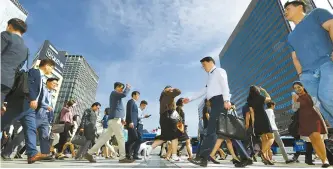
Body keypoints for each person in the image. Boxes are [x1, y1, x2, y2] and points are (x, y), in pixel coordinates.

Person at [183, 56, 250, 167]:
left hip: (220, 101)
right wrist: (190, 98)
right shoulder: (210, 77)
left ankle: (203, 158)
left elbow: (225, 85)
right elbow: (204, 90)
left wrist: (226, 100)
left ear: (210, 62)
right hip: (215, 103)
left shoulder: (219, 71)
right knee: (228, 131)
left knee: (211, 131)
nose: (203, 67)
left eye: (204, 65)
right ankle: (245, 158)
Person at [284, 1, 333, 125]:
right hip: (307, 75)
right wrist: (301, 75)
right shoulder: (290, 37)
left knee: (327, 97)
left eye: (288, 8)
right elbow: (295, 58)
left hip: (326, 64)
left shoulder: (317, 14)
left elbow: (332, 25)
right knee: (321, 107)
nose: (285, 12)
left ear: (300, 7)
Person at [84, 82, 134, 163]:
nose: (122, 89)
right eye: (121, 88)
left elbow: (117, 108)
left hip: (114, 119)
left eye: (123, 88)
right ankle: (122, 157)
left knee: (104, 139)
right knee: (121, 138)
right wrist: (127, 88)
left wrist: (121, 119)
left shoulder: (116, 95)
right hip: (115, 120)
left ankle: (89, 153)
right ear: (116, 87)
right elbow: (124, 95)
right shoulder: (114, 93)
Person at [291, 81, 330, 167]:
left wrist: (325, 120)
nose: (297, 89)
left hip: (314, 118)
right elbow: (295, 109)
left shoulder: (311, 94)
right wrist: (295, 100)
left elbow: (316, 105)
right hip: (304, 120)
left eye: (299, 87)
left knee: (318, 139)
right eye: (295, 88)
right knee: (313, 141)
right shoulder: (296, 97)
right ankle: (324, 160)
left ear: (303, 86)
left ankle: (325, 160)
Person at [145, 86, 182, 162]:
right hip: (170, 117)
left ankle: (150, 148)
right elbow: (178, 92)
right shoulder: (168, 94)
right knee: (175, 136)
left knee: (164, 137)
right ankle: (174, 156)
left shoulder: (162, 97)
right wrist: (171, 89)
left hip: (163, 118)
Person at [1, 18, 28, 110]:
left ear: (10, 26)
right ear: (22, 32)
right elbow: (18, 68)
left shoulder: (6, 35)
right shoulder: (26, 50)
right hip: (7, 83)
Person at [247, 85, 274, 165]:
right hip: (263, 118)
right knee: (271, 137)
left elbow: (251, 112)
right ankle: (262, 152)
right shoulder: (260, 97)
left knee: (264, 139)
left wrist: (253, 123)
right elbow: (269, 98)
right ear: (257, 91)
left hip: (256, 120)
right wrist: (264, 91)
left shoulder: (249, 99)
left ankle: (265, 159)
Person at [35, 78, 58, 159]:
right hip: (39, 114)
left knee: (45, 135)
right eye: (54, 83)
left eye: (56, 84)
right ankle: (7, 151)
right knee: (26, 132)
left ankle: (45, 154)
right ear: (48, 82)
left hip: (46, 117)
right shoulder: (43, 90)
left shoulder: (51, 93)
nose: (55, 85)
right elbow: (40, 101)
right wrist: (47, 106)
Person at [125, 91, 142, 160]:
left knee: (132, 139)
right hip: (131, 123)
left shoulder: (134, 103)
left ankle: (128, 154)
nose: (138, 97)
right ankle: (128, 151)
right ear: (134, 95)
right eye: (138, 95)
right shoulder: (131, 101)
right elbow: (129, 112)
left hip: (134, 124)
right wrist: (130, 121)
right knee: (136, 138)